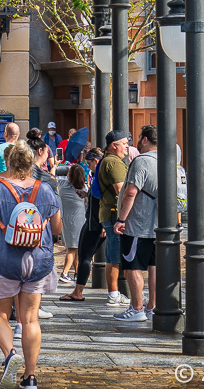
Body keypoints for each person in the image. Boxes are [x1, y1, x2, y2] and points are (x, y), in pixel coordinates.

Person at [0, 141, 62, 389]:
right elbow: (57, 228)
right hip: (38, 262)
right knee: (30, 319)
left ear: (7, 162)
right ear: (32, 162)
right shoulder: (45, 189)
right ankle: (30, 377)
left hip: (4, 261)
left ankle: (10, 355)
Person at [112, 125, 158, 322]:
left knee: (132, 266)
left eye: (139, 138)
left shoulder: (141, 162)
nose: (136, 142)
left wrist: (121, 219)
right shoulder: (167, 160)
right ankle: (152, 306)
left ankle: (137, 307)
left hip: (138, 222)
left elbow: (131, 192)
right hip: (158, 225)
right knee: (154, 265)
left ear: (145, 139)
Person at [60, 148, 105, 302]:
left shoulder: (102, 173)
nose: (89, 167)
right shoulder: (98, 175)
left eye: (89, 163)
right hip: (94, 219)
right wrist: (87, 194)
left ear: (96, 161)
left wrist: (106, 223)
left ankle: (79, 292)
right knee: (84, 254)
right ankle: (78, 290)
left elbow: (108, 197)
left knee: (85, 255)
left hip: (98, 221)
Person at [97, 130, 130, 307]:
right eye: (124, 143)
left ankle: (114, 293)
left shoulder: (109, 161)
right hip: (113, 213)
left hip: (108, 212)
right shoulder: (113, 163)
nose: (127, 146)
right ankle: (113, 294)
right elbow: (121, 191)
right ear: (114, 145)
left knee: (112, 255)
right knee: (114, 257)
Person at [57, 162, 87, 285]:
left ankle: (77, 273)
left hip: (66, 220)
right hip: (80, 220)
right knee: (73, 249)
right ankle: (64, 273)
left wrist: (61, 167)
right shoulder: (83, 189)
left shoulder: (63, 187)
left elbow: (56, 173)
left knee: (74, 248)